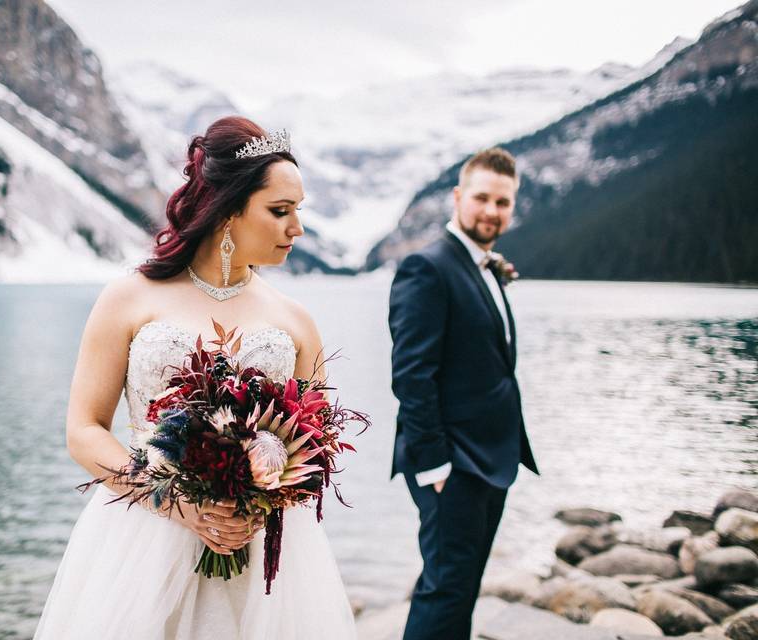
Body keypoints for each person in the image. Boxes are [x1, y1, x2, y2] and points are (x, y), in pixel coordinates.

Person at [33, 116, 356, 639]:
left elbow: (310, 450)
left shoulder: (296, 321)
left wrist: (262, 502)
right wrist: (173, 500)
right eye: (280, 211)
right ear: (228, 211)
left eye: (298, 212)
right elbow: (84, 429)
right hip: (142, 536)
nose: (297, 228)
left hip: (263, 550)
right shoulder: (128, 298)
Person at [388, 148, 539, 640]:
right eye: (482, 198)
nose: (492, 211)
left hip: (490, 460)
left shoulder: (483, 266)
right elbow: (412, 374)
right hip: (451, 463)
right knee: (445, 588)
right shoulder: (427, 267)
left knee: (462, 585)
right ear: (457, 197)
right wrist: (435, 467)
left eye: (503, 202)